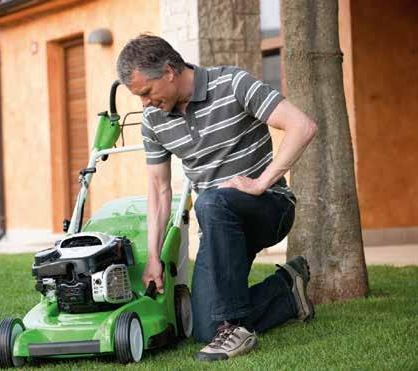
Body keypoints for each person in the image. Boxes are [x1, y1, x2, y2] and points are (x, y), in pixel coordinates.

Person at [116, 34, 318, 362]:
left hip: (269, 208)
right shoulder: (154, 120)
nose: (145, 103)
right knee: (205, 328)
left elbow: (302, 126)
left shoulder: (232, 83)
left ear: (169, 71)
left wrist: (261, 182)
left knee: (210, 200)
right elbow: (159, 190)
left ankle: (236, 328)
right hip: (218, 224)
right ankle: (286, 292)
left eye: (147, 92)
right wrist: (153, 255)